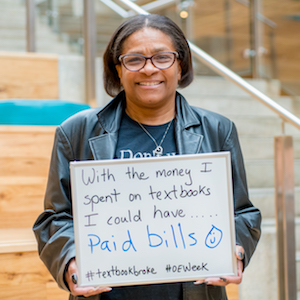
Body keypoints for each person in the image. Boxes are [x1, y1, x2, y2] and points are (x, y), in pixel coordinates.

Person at [33, 14, 261, 300]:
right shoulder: (76, 131)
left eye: (162, 57)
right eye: (135, 59)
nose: (149, 69)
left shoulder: (218, 130)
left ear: (181, 65)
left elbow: (242, 213)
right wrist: (70, 261)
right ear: (118, 69)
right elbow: (55, 218)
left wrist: (236, 249)